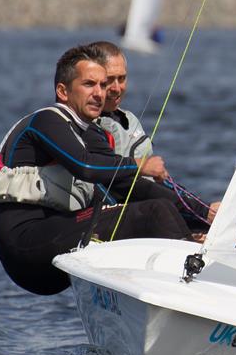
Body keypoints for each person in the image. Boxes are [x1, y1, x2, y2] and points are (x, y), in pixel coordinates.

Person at [0, 44, 197, 296]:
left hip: (58, 237)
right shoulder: (46, 121)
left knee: (157, 212)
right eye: (89, 84)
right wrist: (140, 165)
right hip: (26, 246)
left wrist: (203, 215)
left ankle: (189, 263)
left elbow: (129, 188)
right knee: (154, 213)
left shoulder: (90, 133)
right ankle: (193, 289)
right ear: (63, 91)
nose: (100, 93)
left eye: (102, 85)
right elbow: (85, 166)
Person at [89, 40, 219, 229]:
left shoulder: (128, 121)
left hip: (147, 209)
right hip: (112, 220)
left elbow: (157, 184)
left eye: (122, 78)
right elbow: (120, 185)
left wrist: (203, 210)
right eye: (110, 80)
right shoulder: (85, 126)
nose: (117, 88)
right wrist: (202, 213)